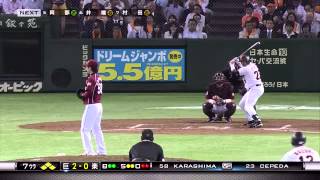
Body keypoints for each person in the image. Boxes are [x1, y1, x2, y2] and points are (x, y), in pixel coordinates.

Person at [79, 59, 107, 156]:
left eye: (86, 66)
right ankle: (102, 151)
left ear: (90, 68)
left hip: (92, 106)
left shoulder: (91, 78)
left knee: (84, 129)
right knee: (96, 129)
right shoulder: (98, 77)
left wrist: (82, 95)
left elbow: (89, 93)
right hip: (99, 105)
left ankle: (89, 151)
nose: (85, 68)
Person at [229, 55, 264, 128]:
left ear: (246, 62)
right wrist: (238, 62)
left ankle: (258, 121)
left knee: (248, 106)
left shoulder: (246, 69)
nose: (243, 63)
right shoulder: (253, 65)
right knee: (242, 104)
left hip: (255, 88)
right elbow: (243, 67)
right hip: (254, 88)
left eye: (243, 62)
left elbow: (235, 74)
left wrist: (232, 64)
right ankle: (251, 120)